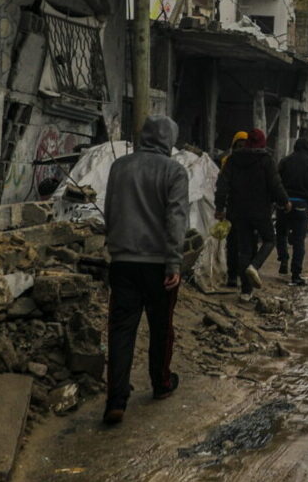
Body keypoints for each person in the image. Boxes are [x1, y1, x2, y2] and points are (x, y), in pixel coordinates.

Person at [102, 115, 189, 425]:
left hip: (122, 262)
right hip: (158, 265)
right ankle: (161, 383)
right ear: (170, 140)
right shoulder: (175, 171)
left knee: (121, 331)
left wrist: (114, 246)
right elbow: (176, 219)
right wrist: (174, 262)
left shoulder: (119, 167)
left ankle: (116, 400)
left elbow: (110, 210)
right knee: (161, 328)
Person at [214, 129, 286, 298]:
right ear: (262, 142)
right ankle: (254, 266)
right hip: (260, 211)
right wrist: (285, 202)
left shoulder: (232, 160)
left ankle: (246, 292)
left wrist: (219, 207)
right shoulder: (266, 160)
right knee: (269, 239)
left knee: (244, 249)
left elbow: (222, 185)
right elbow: (275, 185)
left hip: (237, 212)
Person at [274, 137, 308, 286]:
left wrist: (279, 200)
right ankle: (296, 275)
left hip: (285, 203)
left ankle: (283, 259)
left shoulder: (285, 161)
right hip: (302, 204)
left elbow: (276, 181)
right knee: (299, 241)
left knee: (281, 233)